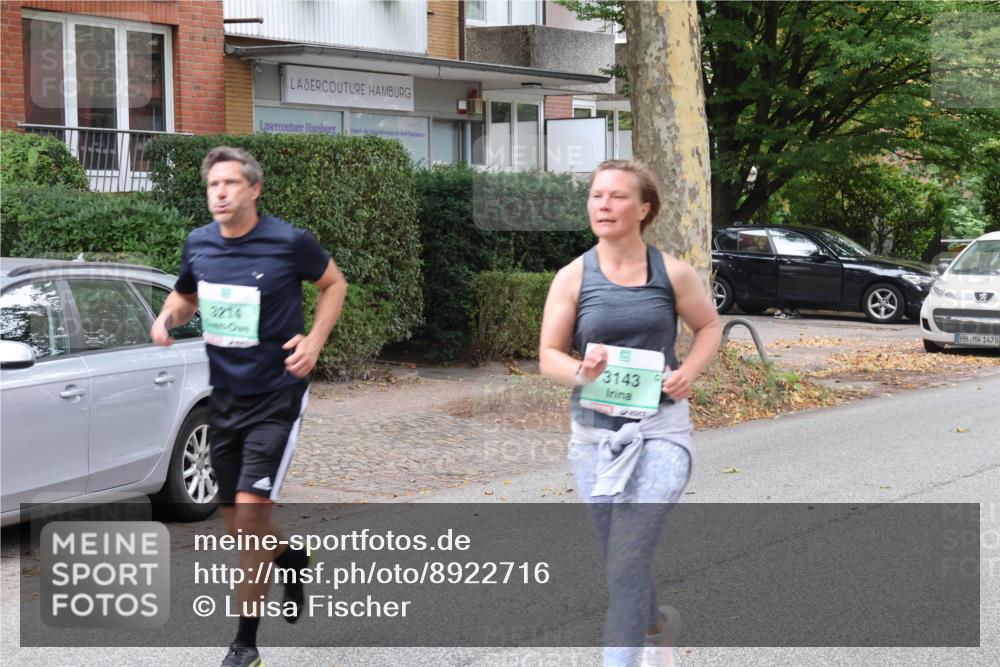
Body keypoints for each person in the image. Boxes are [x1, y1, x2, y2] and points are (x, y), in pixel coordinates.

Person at [151, 146, 348, 667]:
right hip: (224, 398)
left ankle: (245, 646)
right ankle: (291, 558)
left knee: (252, 516)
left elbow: (334, 284)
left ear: (253, 189)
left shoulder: (288, 242)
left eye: (230, 184)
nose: (220, 193)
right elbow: (186, 295)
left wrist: (315, 342)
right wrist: (167, 318)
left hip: (277, 396)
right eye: (213, 185)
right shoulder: (199, 243)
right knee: (236, 519)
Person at [539, 160, 721, 667]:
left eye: (618, 196)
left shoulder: (672, 272)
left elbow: (709, 327)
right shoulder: (573, 276)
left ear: (644, 209)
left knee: (624, 558)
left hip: (661, 431)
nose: (604, 204)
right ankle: (655, 628)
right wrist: (583, 371)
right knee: (622, 559)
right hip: (595, 438)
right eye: (597, 195)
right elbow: (548, 356)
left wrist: (690, 373)